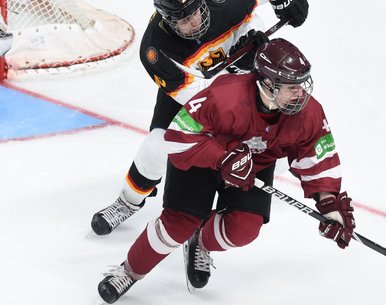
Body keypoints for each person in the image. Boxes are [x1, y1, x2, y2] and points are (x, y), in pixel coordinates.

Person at [97, 38, 356, 304]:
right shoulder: (225, 96)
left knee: (244, 228)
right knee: (177, 225)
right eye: (292, 87)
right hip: (202, 156)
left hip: (252, 165)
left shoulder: (308, 113)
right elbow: (177, 137)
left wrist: (328, 202)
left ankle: (201, 242)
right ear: (268, 84)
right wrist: (222, 158)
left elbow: (317, 155)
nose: (300, 93)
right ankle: (129, 271)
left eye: (301, 84)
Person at [90, 0, 309, 235]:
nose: (194, 22)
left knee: (275, 157)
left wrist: (284, 2)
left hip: (247, 83)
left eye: (196, 12)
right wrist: (235, 70)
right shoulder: (157, 50)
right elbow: (205, 102)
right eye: (183, 20)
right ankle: (128, 201)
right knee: (156, 148)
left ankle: (217, 210)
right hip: (195, 96)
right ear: (166, 19)